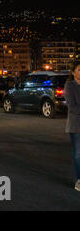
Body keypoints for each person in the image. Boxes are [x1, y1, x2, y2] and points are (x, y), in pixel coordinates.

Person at [64, 60, 80, 191]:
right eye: (79, 69)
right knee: (78, 154)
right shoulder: (70, 85)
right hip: (76, 125)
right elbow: (72, 107)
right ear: (73, 72)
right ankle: (78, 180)